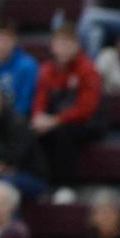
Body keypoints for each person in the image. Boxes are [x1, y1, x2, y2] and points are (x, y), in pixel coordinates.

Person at [31, 24, 104, 201]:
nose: (63, 49)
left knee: (63, 133)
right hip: (56, 120)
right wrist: (38, 117)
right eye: (60, 44)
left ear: (77, 45)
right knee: (33, 133)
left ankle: (66, 186)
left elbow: (86, 109)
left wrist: (56, 120)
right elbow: (40, 98)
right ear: (53, 46)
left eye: (68, 43)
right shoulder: (47, 69)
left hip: (88, 123)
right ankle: (41, 183)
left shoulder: (87, 69)